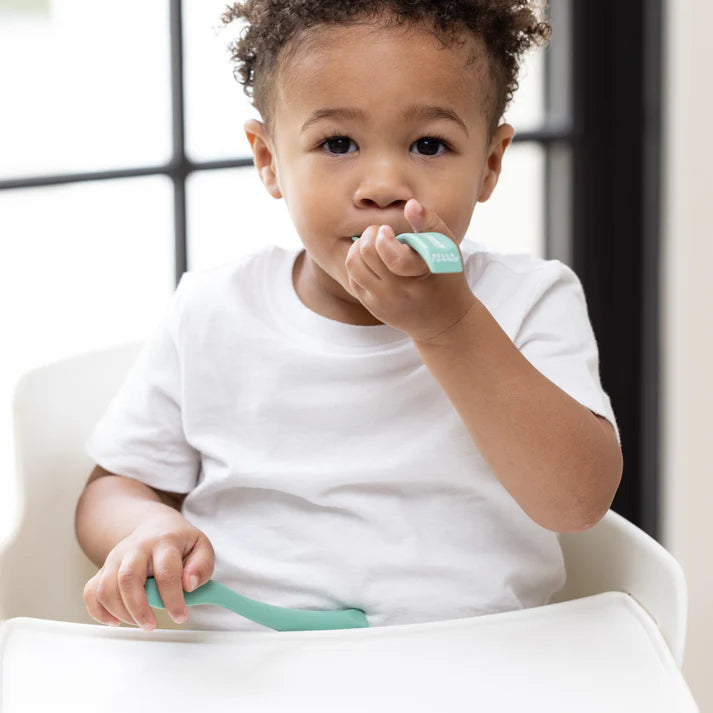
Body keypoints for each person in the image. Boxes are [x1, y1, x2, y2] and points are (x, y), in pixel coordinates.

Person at [75, 0, 622, 633]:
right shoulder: (212, 312)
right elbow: (109, 489)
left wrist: (448, 326)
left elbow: (577, 501)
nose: (384, 184)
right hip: (248, 660)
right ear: (268, 159)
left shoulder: (530, 300)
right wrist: (148, 528)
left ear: (490, 164)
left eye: (429, 144)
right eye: (338, 143)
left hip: (469, 660)